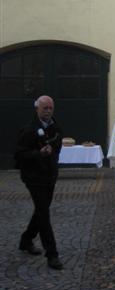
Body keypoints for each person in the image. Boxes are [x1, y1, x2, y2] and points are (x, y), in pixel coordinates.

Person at [15, 95, 64, 270]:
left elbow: (57, 146)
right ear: (37, 109)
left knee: (41, 210)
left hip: (49, 175)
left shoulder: (55, 127)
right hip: (33, 177)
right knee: (43, 213)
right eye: (45, 108)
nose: (48, 111)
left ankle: (26, 240)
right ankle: (52, 254)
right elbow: (19, 155)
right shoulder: (28, 129)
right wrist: (39, 154)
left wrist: (52, 150)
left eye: (51, 108)